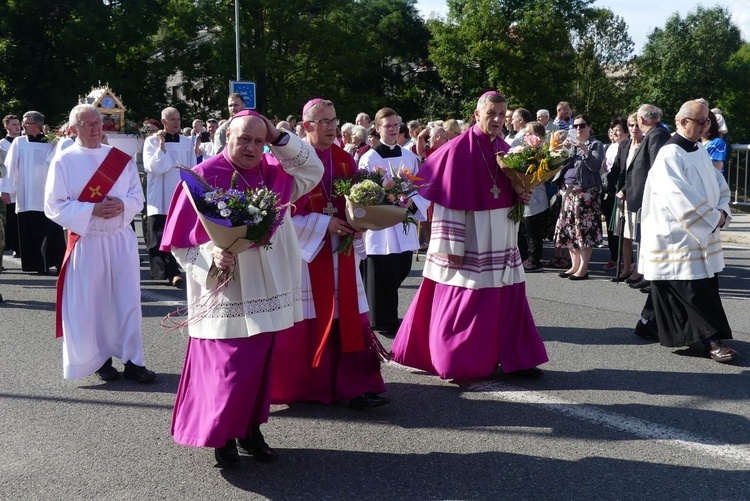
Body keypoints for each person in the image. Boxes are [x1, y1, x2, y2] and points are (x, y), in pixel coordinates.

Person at [161, 110, 323, 468]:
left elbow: (313, 171)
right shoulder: (201, 177)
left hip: (267, 285)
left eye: (259, 141)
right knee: (227, 366)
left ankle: (250, 430)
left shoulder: (274, 171)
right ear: (226, 139)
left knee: (258, 365)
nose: (252, 147)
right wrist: (212, 258)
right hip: (226, 287)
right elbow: (180, 244)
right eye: (243, 139)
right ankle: (223, 437)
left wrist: (280, 137)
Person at [391, 91, 548, 380]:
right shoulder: (456, 150)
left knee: (508, 293)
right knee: (467, 295)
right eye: (492, 114)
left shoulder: (510, 150)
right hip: (469, 236)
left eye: (503, 114)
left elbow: (516, 189)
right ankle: (460, 357)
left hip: (502, 233)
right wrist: (451, 244)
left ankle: (515, 355)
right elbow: (447, 200)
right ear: (477, 115)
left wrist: (524, 193)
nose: (499, 119)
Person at [269, 98, 389, 409]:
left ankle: (356, 385)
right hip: (306, 255)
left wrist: (360, 222)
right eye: (323, 121)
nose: (331, 126)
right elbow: (278, 214)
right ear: (307, 126)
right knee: (309, 317)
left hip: (341, 251)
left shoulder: (345, 159)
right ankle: (306, 385)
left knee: (348, 316)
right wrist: (323, 224)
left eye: (333, 120)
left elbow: (356, 204)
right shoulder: (290, 163)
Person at [44, 104, 156, 383]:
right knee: (93, 303)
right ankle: (100, 359)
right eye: (88, 124)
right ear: (73, 129)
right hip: (88, 240)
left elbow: (137, 197)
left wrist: (123, 204)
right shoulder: (64, 161)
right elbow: (53, 205)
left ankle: (134, 361)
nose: (95, 128)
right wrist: (90, 210)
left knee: (128, 301)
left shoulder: (119, 159)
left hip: (120, 239)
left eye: (98, 122)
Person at [634, 100, 737, 364]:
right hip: (677, 236)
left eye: (707, 122)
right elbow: (680, 197)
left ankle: (649, 321)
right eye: (700, 121)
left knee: (669, 283)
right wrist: (713, 218)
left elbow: (718, 182)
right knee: (694, 289)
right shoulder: (670, 154)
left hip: (696, 231)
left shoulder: (698, 149)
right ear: (682, 122)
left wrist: (723, 208)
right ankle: (710, 339)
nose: (705, 126)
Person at [358, 107, 428, 337]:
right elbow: (363, 192)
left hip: (401, 221)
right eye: (387, 125)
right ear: (377, 129)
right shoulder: (369, 157)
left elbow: (415, 187)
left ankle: (387, 315)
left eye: (396, 125)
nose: (393, 129)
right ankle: (380, 318)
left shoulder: (408, 155)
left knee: (401, 266)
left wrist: (410, 202)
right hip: (379, 224)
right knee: (380, 271)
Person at [0, 111, 65, 274]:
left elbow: (58, 163)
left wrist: (57, 144)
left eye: (26, 123)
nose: (23, 126)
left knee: (52, 231)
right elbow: (10, 166)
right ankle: (36, 264)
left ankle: (56, 262)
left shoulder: (53, 142)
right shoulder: (19, 142)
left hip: (48, 194)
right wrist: (6, 190)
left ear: (38, 125)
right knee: (32, 231)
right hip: (27, 194)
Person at [619, 104, 670, 290]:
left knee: (651, 239)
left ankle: (653, 279)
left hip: (650, 195)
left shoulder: (657, 134)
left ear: (641, 120)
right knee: (645, 238)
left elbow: (656, 167)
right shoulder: (654, 133)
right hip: (641, 193)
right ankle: (647, 275)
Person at [143, 107, 195, 287]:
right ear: (163, 122)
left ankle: (176, 270)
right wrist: (162, 147)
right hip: (159, 195)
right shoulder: (151, 142)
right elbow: (153, 167)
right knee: (157, 237)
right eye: (172, 119)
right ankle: (169, 272)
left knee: (177, 235)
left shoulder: (187, 142)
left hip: (179, 193)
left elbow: (192, 168)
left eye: (178, 119)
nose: (177, 122)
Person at [553, 114, 605, 280]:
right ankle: (574, 265)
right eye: (574, 126)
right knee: (569, 229)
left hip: (586, 192)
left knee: (583, 230)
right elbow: (558, 166)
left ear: (589, 127)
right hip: (568, 191)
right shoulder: (571, 146)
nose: (578, 129)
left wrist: (585, 150)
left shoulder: (596, 145)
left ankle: (583, 268)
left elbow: (596, 166)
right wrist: (565, 151)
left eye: (582, 125)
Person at [601, 117, 629, 272]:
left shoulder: (628, 147)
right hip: (609, 188)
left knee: (623, 228)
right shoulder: (611, 147)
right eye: (613, 130)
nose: (615, 133)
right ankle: (613, 257)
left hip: (622, 188)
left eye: (618, 129)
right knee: (611, 227)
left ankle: (626, 259)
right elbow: (604, 167)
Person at [1, 114, 22, 260]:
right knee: (10, 219)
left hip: (23, 185)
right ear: (6, 127)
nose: (17, 127)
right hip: (9, 185)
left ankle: (21, 247)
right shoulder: (2, 144)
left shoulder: (24, 142)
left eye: (18, 124)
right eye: (13, 124)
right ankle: (13, 246)